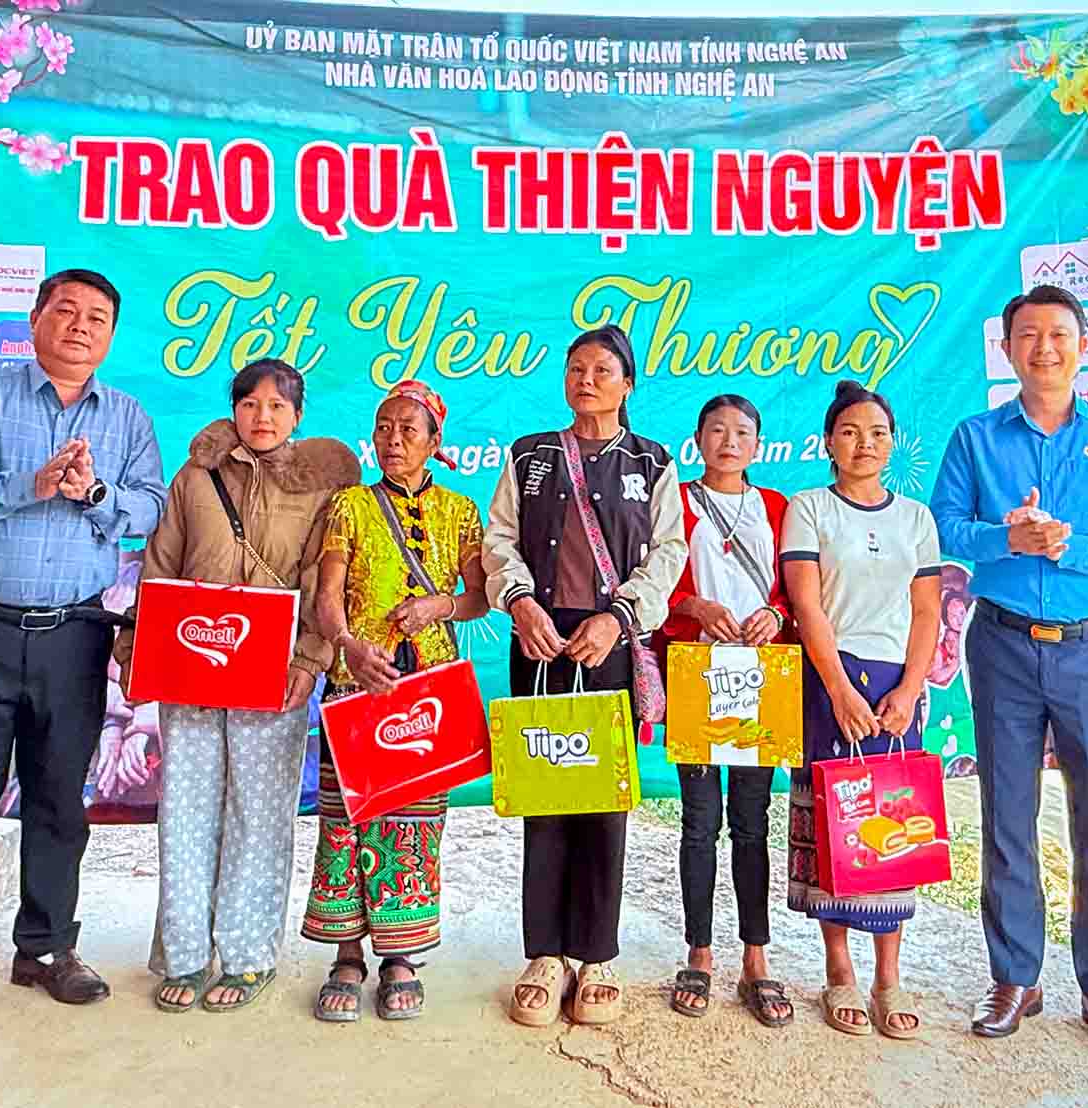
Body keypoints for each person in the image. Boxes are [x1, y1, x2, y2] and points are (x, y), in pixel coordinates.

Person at [0, 268, 167, 1037]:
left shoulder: (126, 417)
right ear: (36, 316)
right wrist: (30, 483)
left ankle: (46, 947)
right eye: (67, 311)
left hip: (73, 634)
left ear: (111, 336)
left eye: (97, 318)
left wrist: (92, 494)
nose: (80, 327)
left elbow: (149, 506)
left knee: (59, 802)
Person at [931, 284, 1088, 1061]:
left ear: (1081, 342)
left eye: (1059, 334)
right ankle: (1015, 979)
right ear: (1007, 348)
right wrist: (1011, 537)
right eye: (1028, 335)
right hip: (1001, 645)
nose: (1044, 348)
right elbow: (947, 528)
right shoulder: (976, 438)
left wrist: (1072, 547)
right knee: (1006, 815)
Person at [111, 358, 358, 1014]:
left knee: (260, 813)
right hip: (188, 662)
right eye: (251, 404)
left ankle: (248, 957)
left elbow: (320, 581)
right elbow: (160, 563)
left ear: (298, 417)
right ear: (235, 408)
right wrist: (137, 647)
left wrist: (310, 658)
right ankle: (186, 955)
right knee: (186, 810)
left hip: (272, 672)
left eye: (278, 406)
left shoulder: (320, 490)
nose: (263, 416)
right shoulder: (196, 478)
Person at [483, 323, 686, 1027]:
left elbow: (668, 553)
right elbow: (499, 539)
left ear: (628, 384)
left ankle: (596, 954)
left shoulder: (653, 462)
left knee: (602, 802)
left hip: (610, 642)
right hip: (538, 639)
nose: (586, 379)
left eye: (603, 369)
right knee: (546, 795)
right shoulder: (530, 455)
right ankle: (544, 954)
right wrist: (519, 600)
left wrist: (619, 619)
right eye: (576, 367)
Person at [303, 380, 489, 1022]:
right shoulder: (350, 506)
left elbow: (480, 597)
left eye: (409, 429)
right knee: (347, 820)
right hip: (357, 683)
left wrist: (439, 604)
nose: (393, 439)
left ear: (436, 441)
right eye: (384, 427)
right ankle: (346, 956)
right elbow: (327, 594)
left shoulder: (461, 511)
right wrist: (348, 644)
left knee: (413, 827)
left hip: (427, 688)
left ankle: (401, 958)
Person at [780, 379, 943, 1040]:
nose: (864, 444)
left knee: (895, 827)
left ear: (892, 442)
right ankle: (839, 970)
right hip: (829, 680)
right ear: (829, 442)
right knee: (834, 825)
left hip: (899, 689)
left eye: (877, 433)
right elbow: (806, 605)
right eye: (850, 432)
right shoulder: (810, 508)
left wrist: (908, 689)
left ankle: (888, 977)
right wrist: (841, 690)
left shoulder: (916, 519)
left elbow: (929, 609)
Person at [653, 394, 795, 1026]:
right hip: (698, 673)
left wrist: (778, 614)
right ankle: (701, 953)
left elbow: (796, 587)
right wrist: (694, 608)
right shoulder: (677, 503)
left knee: (752, 819)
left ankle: (756, 958)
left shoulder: (778, 508)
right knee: (698, 820)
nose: (729, 441)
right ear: (698, 439)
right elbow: (657, 583)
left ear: (757, 445)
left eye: (742, 432)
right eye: (717, 430)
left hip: (760, 679)